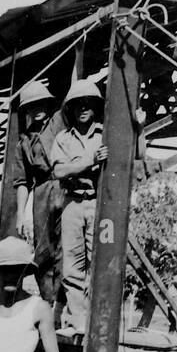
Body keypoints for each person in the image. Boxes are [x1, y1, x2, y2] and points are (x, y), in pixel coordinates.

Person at [50, 80, 106, 336]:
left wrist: (139, 129)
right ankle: (76, 322)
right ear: (71, 110)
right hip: (72, 203)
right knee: (72, 266)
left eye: (88, 104)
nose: (83, 109)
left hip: (97, 204)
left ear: (95, 107)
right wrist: (88, 163)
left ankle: (96, 320)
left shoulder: (106, 134)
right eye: (77, 105)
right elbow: (59, 170)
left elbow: (135, 156)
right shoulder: (63, 139)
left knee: (99, 262)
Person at [9, 80, 66, 305]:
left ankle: (62, 307)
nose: (39, 109)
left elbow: (72, 92)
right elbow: (22, 181)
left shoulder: (59, 122)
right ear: (27, 110)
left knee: (65, 248)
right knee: (43, 251)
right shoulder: (23, 142)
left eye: (42, 104)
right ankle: (47, 302)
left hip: (64, 185)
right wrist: (21, 215)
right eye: (33, 106)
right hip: (42, 193)